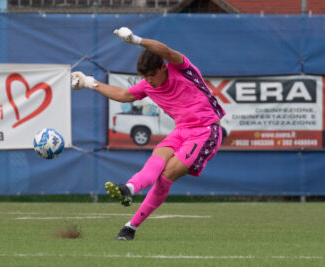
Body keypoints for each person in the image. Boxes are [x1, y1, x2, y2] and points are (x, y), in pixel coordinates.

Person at [71, 27, 225, 240]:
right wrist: (89, 83)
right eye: (146, 76)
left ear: (163, 67)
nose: (150, 80)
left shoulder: (181, 68)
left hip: (205, 131)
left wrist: (136, 40)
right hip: (181, 131)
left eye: (153, 74)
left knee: (166, 176)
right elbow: (123, 94)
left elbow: (166, 50)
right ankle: (129, 189)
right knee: (156, 159)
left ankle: (131, 226)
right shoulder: (148, 85)